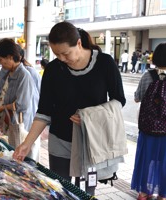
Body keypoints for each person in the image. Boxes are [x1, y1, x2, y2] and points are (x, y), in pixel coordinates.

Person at [12, 21, 126, 195]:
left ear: (78, 44)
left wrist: (90, 116)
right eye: (57, 54)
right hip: (60, 140)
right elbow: (44, 112)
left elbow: (119, 100)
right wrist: (26, 144)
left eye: (65, 53)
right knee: (59, 189)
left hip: (92, 141)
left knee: (87, 193)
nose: (62, 59)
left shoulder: (105, 63)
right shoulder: (52, 70)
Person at [0, 38, 40, 161]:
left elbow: (22, 105)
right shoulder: (8, 72)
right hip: (9, 121)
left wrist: (2, 107)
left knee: (20, 155)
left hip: (20, 123)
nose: (0, 63)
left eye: (1, 59)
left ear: (10, 57)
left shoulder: (24, 75)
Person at [131, 43, 166, 200]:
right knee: (165, 162)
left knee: (147, 159)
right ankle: (163, 194)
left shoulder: (147, 75)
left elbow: (137, 98)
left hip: (148, 129)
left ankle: (145, 192)